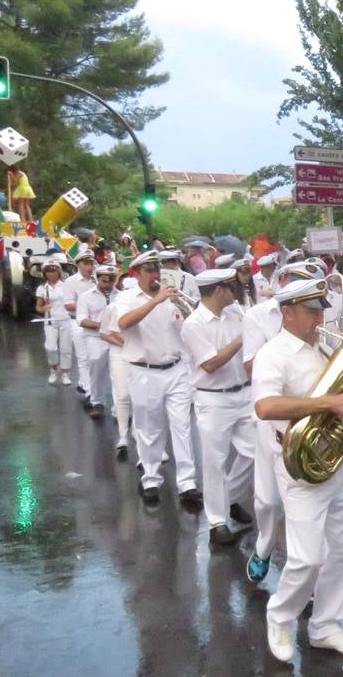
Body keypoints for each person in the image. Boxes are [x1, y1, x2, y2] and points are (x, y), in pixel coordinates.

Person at [253, 277, 343, 663]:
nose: (319, 316)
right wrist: (328, 403)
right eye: (310, 310)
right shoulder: (274, 354)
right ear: (287, 312)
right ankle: (280, 617)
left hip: (336, 461)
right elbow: (266, 407)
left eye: (320, 308)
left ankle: (326, 626)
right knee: (306, 558)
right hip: (299, 465)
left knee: (342, 551)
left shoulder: (327, 349)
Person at [241, 260, 323, 583]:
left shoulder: (316, 318)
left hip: (309, 421)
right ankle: (263, 547)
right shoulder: (257, 316)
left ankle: (304, 575)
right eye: (298, 281)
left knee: (304, 503)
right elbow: (251, 366)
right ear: (283, 282)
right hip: (272, 420)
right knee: (268, 501)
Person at [116, 250, 200, 506]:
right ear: (137, 273)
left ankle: (187, 483)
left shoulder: (171, 297)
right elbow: (124, 323)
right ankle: (151, 478)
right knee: (149, 428)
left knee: (182, 427)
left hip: (175, 368)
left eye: (157, 270)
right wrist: (155, 301)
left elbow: (189, 328)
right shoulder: (127, 297)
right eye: (149, 270)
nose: (155, 275)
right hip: (144, 370)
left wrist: (186, 311)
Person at [181, 268, 255, 547]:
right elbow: (210, 364)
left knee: (254, 452)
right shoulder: (194, 324)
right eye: (230, 286)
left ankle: (231, 497)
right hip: (212, 398)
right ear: (219, 290)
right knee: (215, 461)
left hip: (243, 393)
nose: (236, 290)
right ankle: (217, 522)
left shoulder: (236, 313)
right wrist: (242, 338)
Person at [73, 264, 118, 419]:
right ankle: (97, 401)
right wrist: (103, 325)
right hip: (95, 337)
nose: (108, 285)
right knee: (97, 370)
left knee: (117, 372)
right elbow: (81, 320)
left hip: (115, 338)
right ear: (98, 279)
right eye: (105, 281)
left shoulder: (120, 295)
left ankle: (119, 407)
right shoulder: (86, 296)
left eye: (111, 281)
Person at [98, 289, 135, 460]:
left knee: (141, 397)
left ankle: (139, 434)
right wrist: (124, 344)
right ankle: (123, 436)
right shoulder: (112, 308)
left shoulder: (144, 306)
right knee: (122, 395)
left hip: (139, 354)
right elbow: (105, 333)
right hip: (119, 354)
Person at [62, 250, 98, 397]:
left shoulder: (98, 279)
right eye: (86, 263)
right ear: (78, 265)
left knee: (96, 357)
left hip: (97, 323)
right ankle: (90, 393)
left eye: (91, 263)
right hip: (78, 322)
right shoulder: (71, 282)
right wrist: (87, 306)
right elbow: (68, 305)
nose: (90, 267)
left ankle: (85, 384)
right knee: (83, 357)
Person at [35, 260, 74, 385]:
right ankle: (53, 368)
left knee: (66, 348)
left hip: (66, 319)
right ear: (45, 273)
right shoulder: (42, 288)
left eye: (54, 271)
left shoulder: (66, 285)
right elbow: (38, 307)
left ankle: (65, 373)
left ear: (59, 272)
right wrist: (43, 308)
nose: (52, 274)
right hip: (50, 320)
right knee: (50, 347)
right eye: (49, 271)